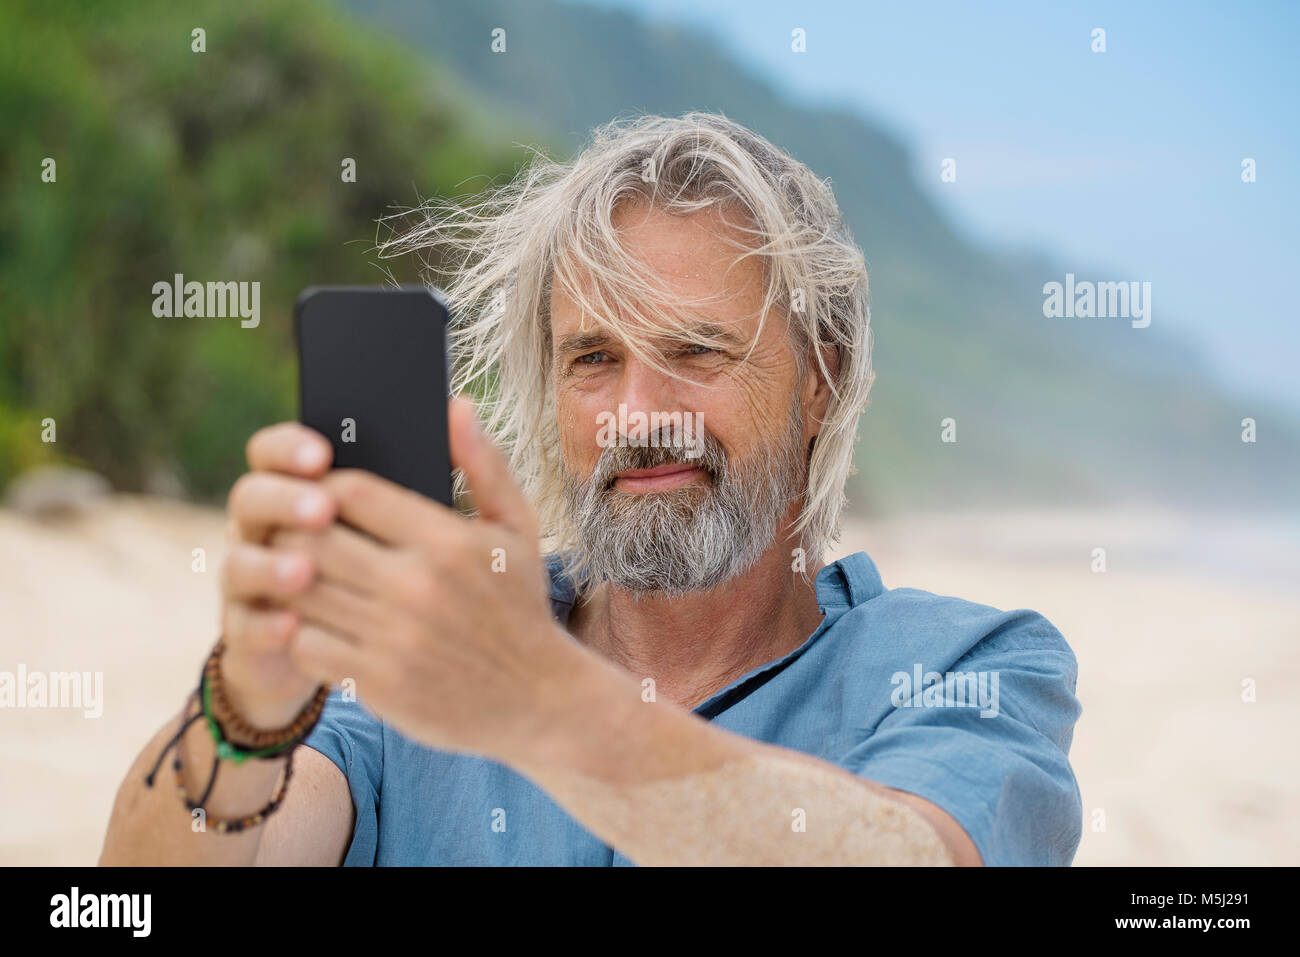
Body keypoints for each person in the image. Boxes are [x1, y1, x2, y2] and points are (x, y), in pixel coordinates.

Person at [101, 112, 1081, 866]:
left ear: (818, 380)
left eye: (696, 350)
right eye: (593, 358)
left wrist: (539, 701)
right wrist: (245, 708)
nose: (635, 411)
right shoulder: (409, 670)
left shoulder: (965, 667)